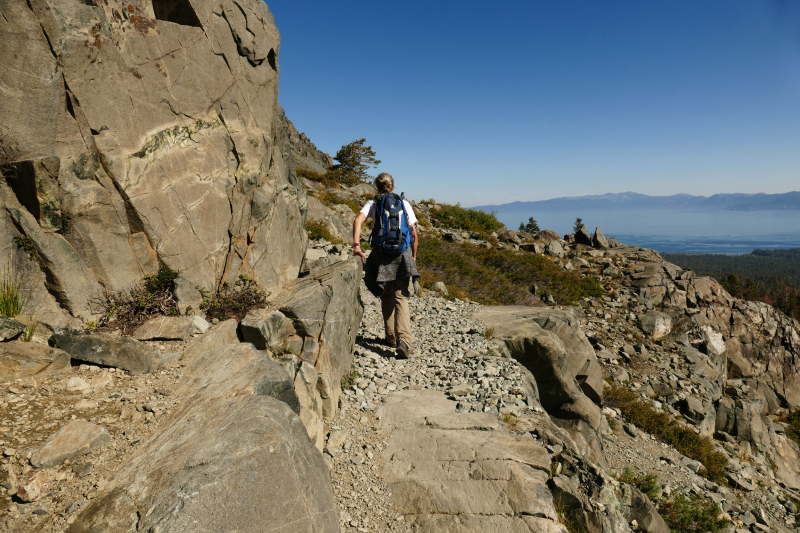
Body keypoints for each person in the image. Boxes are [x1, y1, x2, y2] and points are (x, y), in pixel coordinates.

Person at [353, 173, 419, 358]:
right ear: (393, 186)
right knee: (401, 296)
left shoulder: (373, 203)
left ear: (377, 187)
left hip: (382, 254)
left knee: (387, 294)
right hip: (402, 255)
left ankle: (390, 337)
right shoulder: (403, 203)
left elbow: (358, 220)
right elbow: (413, 232)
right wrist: (413, 256)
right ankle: (404, 341)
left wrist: (357, 246)